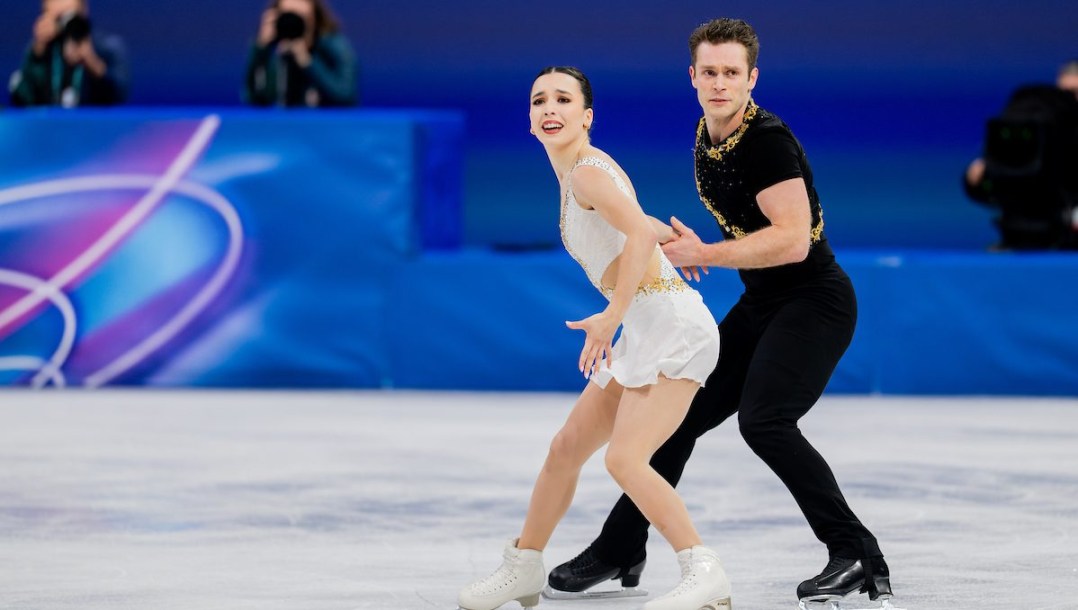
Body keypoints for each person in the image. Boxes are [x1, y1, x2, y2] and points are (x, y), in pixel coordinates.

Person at [544, 18, 898, 609]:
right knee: (676, 419)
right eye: (708, 72)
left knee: (764, 421)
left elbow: (793, 242)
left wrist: (705, 253)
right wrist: (677, 241)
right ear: (693, 76)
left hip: (815, 301)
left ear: (751, 78)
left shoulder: (769, 142)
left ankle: (857, 551)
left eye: (732, 73)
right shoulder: (707, 134)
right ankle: (620, 548)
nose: (719, 83)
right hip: (762, 302)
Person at [457, 66, 728, 610]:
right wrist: (674, 237)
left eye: (563, 99)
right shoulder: (578, 177)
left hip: (672, 328)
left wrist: (612, 314)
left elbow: (629, 230)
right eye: (539, 101)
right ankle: (524, 567)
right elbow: (635, 221)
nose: (549, 108)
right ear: (531, 120)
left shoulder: (585, 171)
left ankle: (704, 570)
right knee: (566, 449)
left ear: (587, 117)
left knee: (625, 460)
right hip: (647, 325)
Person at [963, 60, 1078, 249]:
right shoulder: (1039, 135)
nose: (1066, 101)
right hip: (1021, 241)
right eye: (1061, 93)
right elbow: (1002, 187)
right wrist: (977, 179)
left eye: (1073, 93)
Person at [8, 0, 129, 108]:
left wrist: (91, 61)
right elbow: (22, 100)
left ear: (83, 10)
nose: (64, 24)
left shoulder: (106, 47)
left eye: (68, 16)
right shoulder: (41, 50)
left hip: (94, 128)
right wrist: (38, 56)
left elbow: (119, 96)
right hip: (48, 128)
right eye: (57, 18)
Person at [244, 0, 358, 108]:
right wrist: (261, 48)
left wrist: (308, 62)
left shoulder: (333, 48)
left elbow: (346, 96)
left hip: (325, 125)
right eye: (288, 18)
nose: (294, 26)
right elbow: (253, 97)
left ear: (315, 19)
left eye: (301, 20)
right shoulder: (276, 55)